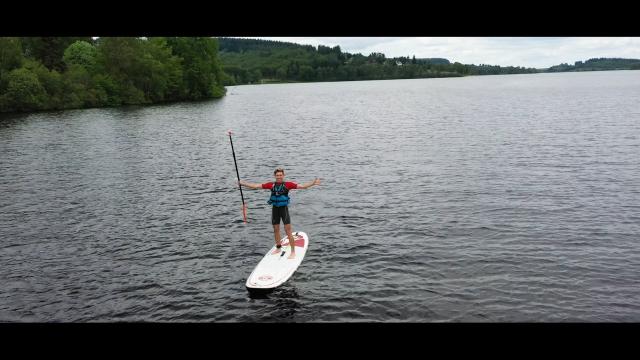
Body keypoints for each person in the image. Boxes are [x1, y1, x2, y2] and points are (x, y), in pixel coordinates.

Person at [239, 168, 320, 259]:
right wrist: (243, 183)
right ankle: (278, 248)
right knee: (276, 229)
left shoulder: (288, 184)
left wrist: (312, 183)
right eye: (277, 175)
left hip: (283, 209)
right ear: (275, 176)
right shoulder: (271, 185)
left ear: (283, 175)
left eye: (280, 175)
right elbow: (256, 186)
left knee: (288, 230)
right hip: (275, 209)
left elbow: (302, 186)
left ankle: (293, 252)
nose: (279, 177)